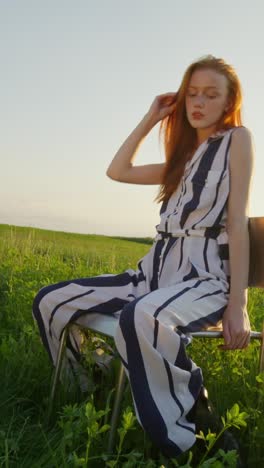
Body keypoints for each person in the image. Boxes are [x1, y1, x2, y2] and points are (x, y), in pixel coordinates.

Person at [32, 55, 254, 457]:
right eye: (192, 94)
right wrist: (151, 117)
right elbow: (118, 170)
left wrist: (238, 303)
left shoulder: (237, 140)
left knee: (141, 317)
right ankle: (91, 389)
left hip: (201, 277)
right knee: (50, 301)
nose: (198, 102)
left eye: (210, 94)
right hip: (150, 274)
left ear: (228, 102)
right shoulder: (183, 158)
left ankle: (198, 436)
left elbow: (237, 224)